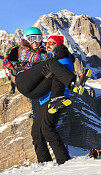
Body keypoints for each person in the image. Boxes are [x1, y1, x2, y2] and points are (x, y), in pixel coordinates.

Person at [14, 32, 78, 165]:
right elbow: (38, 58)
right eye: (47, 43)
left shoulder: (61, 60)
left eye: (52, 43)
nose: (48, 45)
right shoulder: (29, 52)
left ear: (59, 46)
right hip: (44, 99)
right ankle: (45, 163)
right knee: (37, 133)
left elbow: (61, 75)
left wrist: (66, 56)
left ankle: (64, 161)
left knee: (48, 129)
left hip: (57, 98)